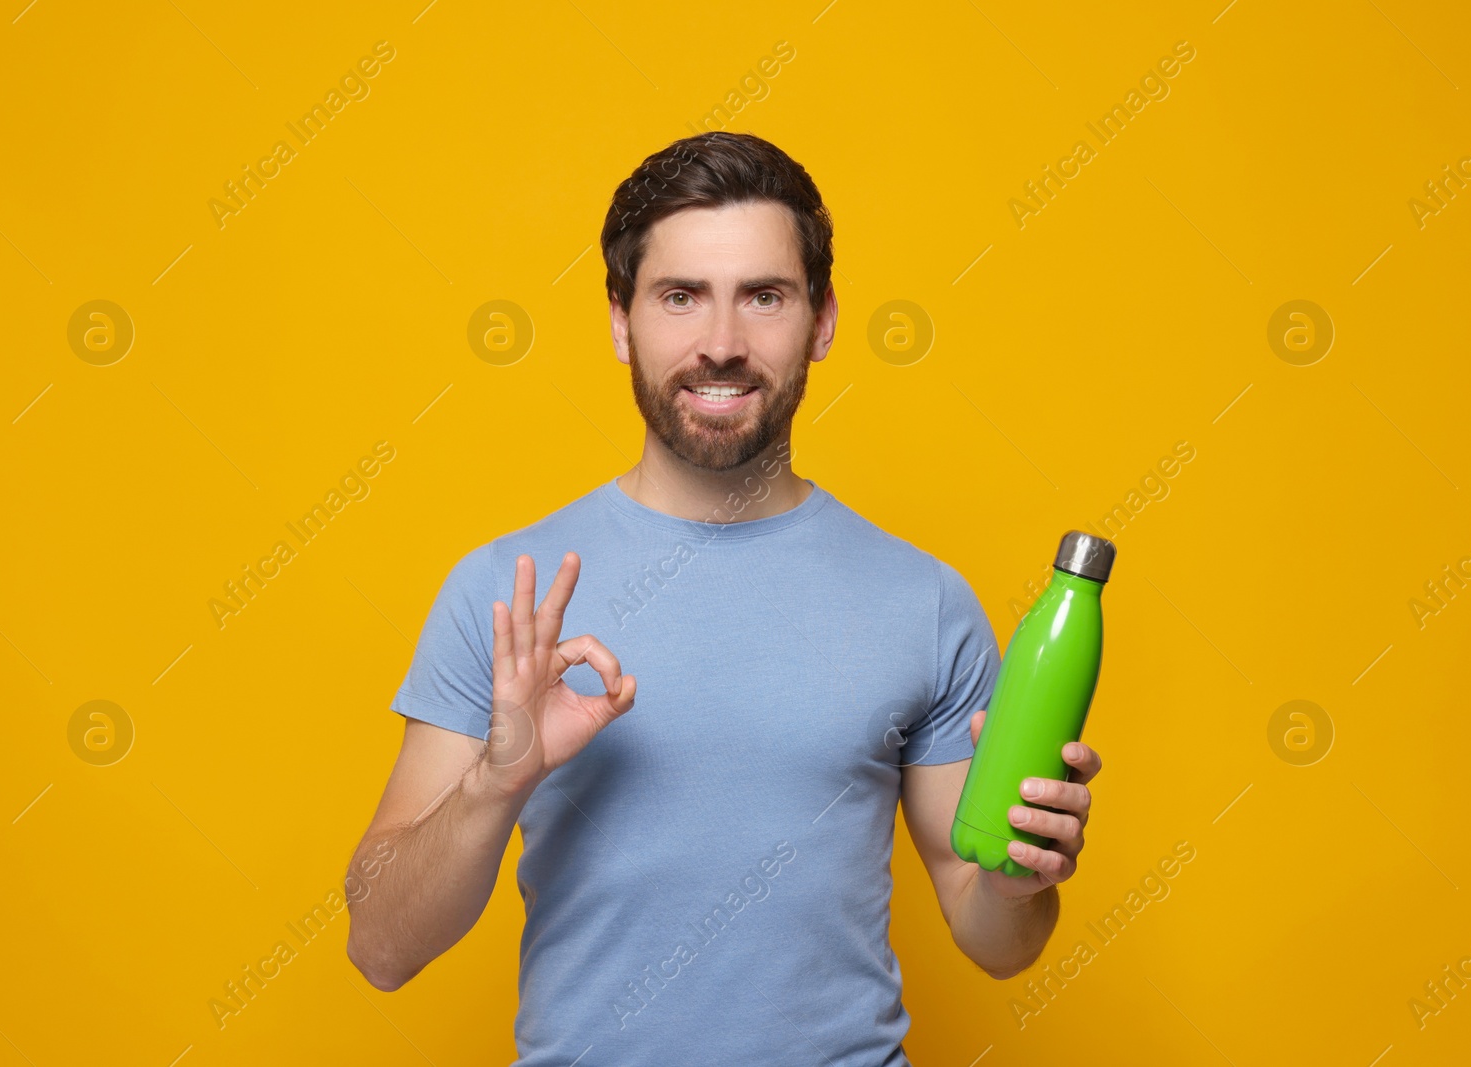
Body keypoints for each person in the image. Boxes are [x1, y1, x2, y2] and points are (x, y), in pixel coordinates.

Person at [344, 131, 1102, 1065]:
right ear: (621, 320)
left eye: (765, 296)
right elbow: (380, 946)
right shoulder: (507, 593)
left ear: (822, 319)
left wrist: (1021, 886)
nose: (722, 345)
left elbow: (993, 936)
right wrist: (496, 781)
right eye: (680, 296)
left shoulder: (928, 603)